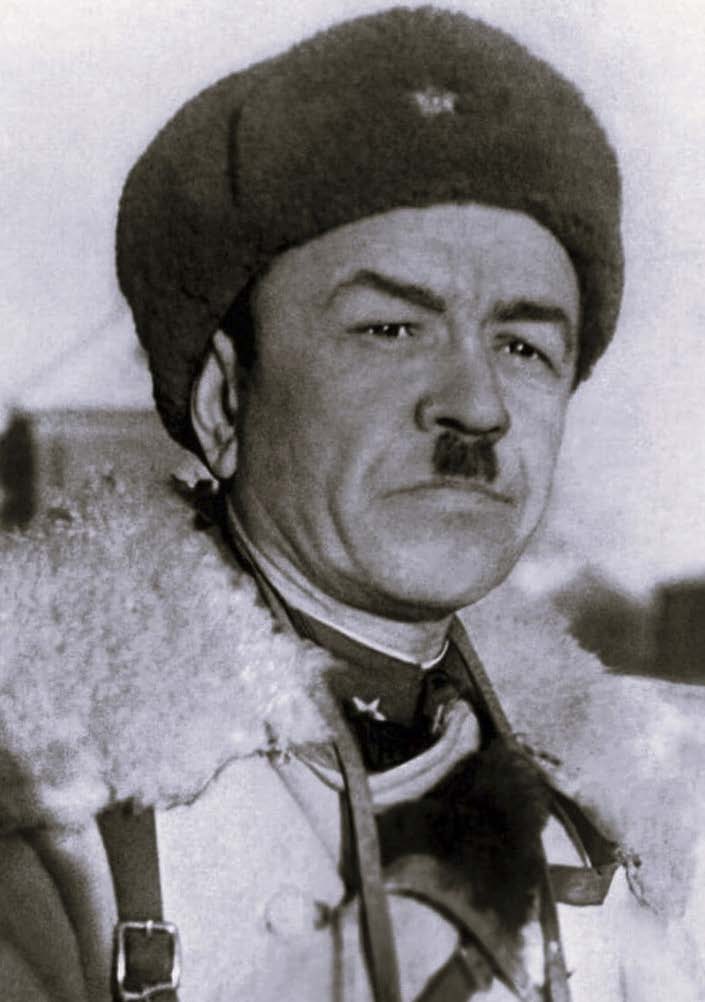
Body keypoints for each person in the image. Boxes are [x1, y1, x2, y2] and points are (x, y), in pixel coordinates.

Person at [1, 8, 703, 1001]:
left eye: (523, 346)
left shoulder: (657, 816)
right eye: (389, 329)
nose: (478, 404)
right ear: (225, 401)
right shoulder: (52, 801)